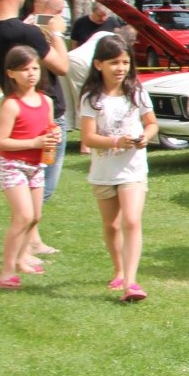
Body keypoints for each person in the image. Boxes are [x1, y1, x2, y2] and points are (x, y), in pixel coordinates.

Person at [0, 0, 70, 234]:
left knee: (27, 175)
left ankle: (32, 240)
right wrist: (56, 33)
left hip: (14, 108)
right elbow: (61, 66)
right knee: (42, 183)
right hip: (45, 109)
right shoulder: (27, 33)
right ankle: (25, 242)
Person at [77, 34, 158, 302]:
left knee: (131, 221)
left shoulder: (137, 91)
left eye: (125, 62)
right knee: (111, 225)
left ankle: (132, 283)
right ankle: (119, 270)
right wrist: (116, 141)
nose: (121, 68)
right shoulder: (91, 97)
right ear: (99, 65)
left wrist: (146, 136)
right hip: (103, 171)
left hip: (133, 169)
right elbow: (87, 138)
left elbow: (152, 123)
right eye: (114, 63)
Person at [0, 46, 63, 290]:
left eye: (34, 68)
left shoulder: (45, 100)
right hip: (12, 165)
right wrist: (34, 142)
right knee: (23, 216)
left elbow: (49, 127)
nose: (31, 74)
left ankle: (22, 259)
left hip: (36, 165)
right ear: (11, 74)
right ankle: (6, 271)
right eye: (23, 70)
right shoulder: (11, 105)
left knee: (34, 217)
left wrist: (54, 135)